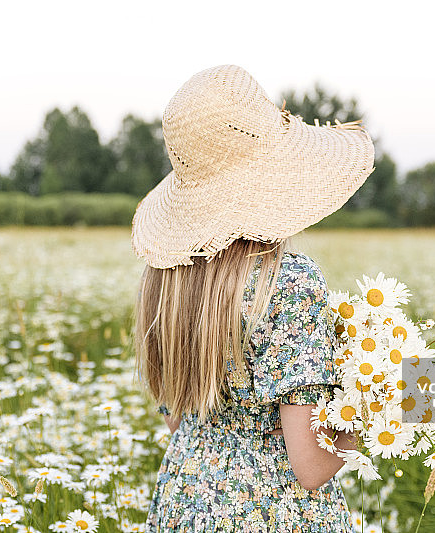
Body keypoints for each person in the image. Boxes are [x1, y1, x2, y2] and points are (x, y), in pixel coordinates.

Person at [131, 64, 375, 532]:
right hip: (274, 514)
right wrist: (386, 404)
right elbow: (310, 465)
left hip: (183, 501)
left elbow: (178, 421)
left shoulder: (162, 283)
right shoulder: (289, 280)